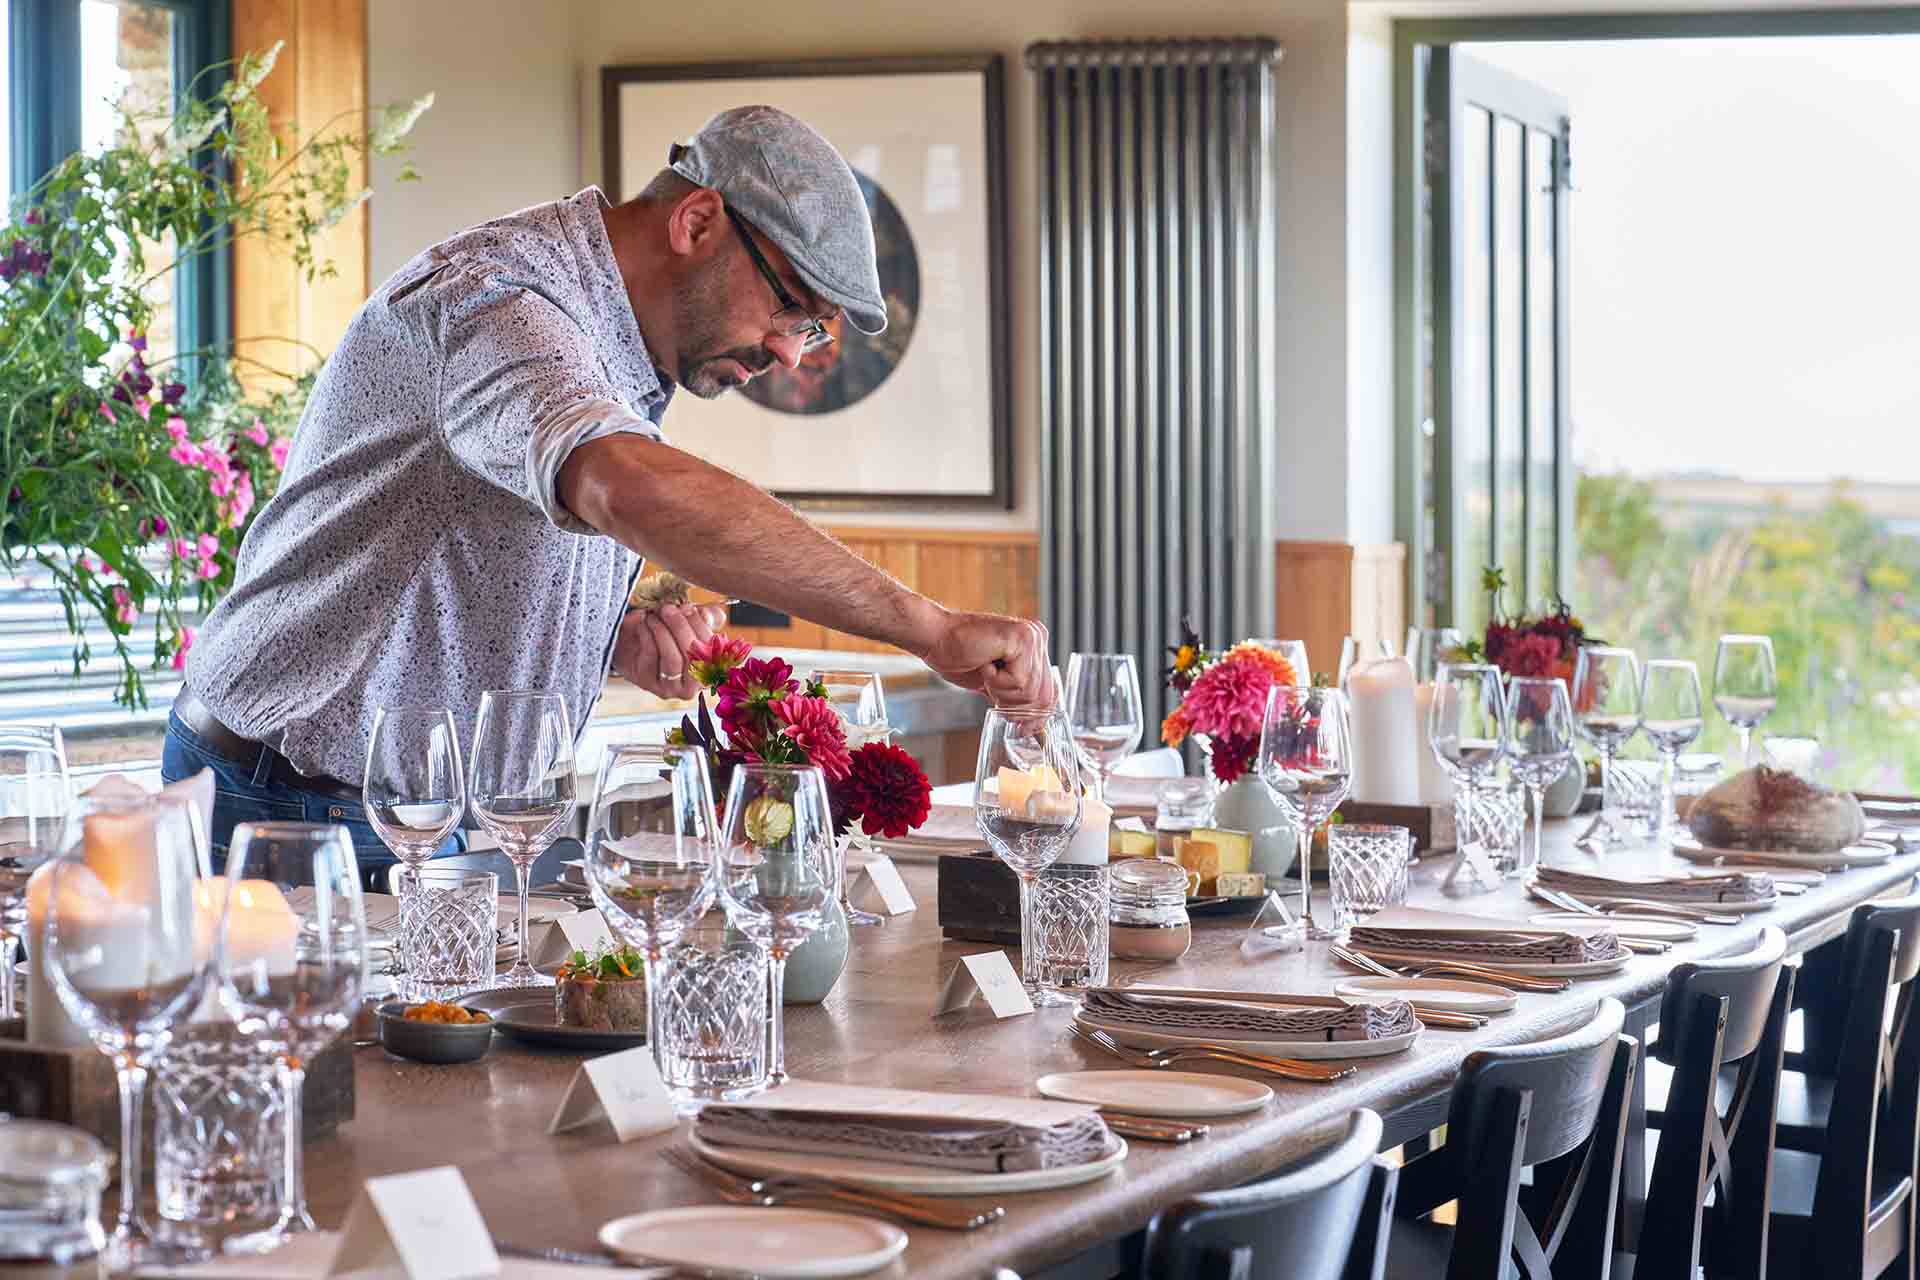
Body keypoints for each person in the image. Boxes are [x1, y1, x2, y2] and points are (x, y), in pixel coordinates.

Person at [163, 105, 1048, 883]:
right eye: (790, 307)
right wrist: (929, 627)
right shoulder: (501, 304)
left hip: (439, 812)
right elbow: (627, 488)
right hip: (291, 800)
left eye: (811, 332)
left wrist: (610, 640)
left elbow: (460, 555)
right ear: (697, 221)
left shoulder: (615, 344)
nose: (789, 353)